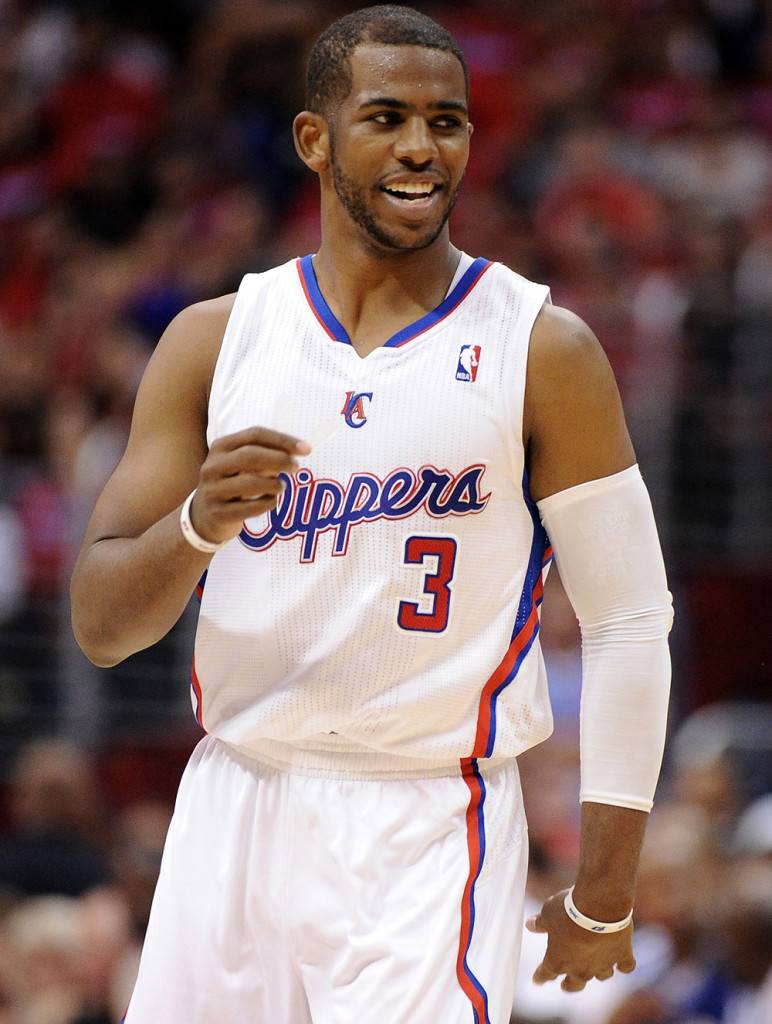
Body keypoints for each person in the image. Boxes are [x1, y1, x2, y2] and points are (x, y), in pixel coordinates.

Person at [69, 7, 673, 1022]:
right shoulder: (216, 341)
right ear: (314, 139)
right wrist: (196, 527)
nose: (421, 147)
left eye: (447, 121)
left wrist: (605, 887)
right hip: (234, 798)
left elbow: (629, 620)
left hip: (425, 819)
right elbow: (100, 625)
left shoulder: (541, 347)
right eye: (387, 117)